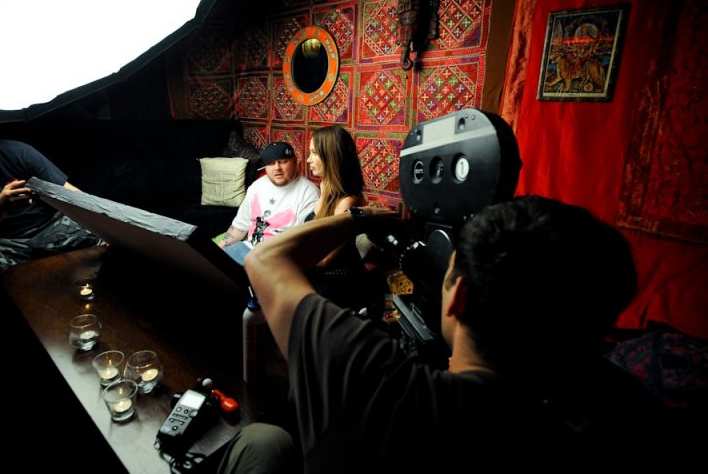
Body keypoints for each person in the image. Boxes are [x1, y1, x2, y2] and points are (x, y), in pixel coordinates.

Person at [230, 195, 665, 472]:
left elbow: (265, 259)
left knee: (261, 440)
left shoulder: (373, 378)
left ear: (459, 298)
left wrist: (357, 218)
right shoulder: (624, 425)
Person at [0, 125, 103, 271]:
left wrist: (107, 217)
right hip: (5, 241)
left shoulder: (15, 151)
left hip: (52, 226)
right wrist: (0, 206)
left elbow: (69, 193)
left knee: (100, 232)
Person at [304, 125, 380, 309]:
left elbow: (324, 259)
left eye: (314, 153)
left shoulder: (348, 201)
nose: (308, 160)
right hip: (318, 277)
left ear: (331, 156)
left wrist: (287, 258)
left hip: (338, 286)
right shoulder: (325, 187)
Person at [218, 141, 318, 266]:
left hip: (275, 260)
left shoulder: (309, 194)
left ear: (294, 162)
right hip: (246, 250)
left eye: (283, 162)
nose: (277, 168)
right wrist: (218, 250)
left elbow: (300, 243)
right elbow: (239, 227)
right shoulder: (257, 186)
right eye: (271, 163)